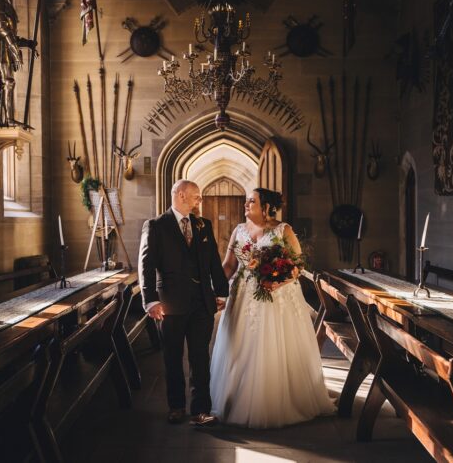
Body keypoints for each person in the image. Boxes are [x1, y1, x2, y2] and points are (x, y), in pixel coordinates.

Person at [210, 188, 336, 428]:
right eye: (247, 201)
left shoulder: (283, 230)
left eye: (251, 201)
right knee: (239, 345)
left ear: (266, 207)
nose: (246, 205)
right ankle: (235, 397)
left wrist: (277, 282)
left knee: (272, 345)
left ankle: (278, 401)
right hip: (243, 295)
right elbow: (228, 265)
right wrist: (214, 289)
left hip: (276, 296)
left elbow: (297, 266)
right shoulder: (239, 230)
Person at [138, 180, 229, 426]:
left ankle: (200, 410)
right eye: (196, 196)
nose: (200, 200)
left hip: (202, 303)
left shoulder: (203, 225)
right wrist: (150, 301)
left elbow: (213, 261)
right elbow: (145, 266)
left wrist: (221, 292)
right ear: (180, 195)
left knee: (200, 358)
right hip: (170, 304)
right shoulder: (156, 226)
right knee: (172, 358)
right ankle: (176, 406)